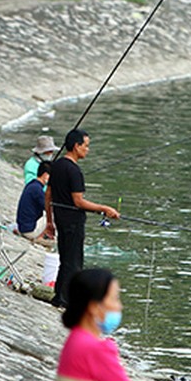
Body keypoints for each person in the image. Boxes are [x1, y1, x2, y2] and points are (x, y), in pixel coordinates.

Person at [45, 129, 120, 309]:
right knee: (74, 262)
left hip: (61, 220)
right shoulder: (74, 171)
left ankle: (59, 297)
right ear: (76, 146)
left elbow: (48, 195)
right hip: (73, 222)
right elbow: (78, 202)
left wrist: (49, 221)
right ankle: (67, 301)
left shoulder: (56, 166)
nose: (88, 150)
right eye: (86, 146)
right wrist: (104, 208)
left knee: (66, 259)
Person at [15, 161, 51, 241]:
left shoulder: (32, 185)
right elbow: (48, 208)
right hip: (29, 230)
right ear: (45, 175)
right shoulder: (37, 189)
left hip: (22, 226)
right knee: (51, 214)